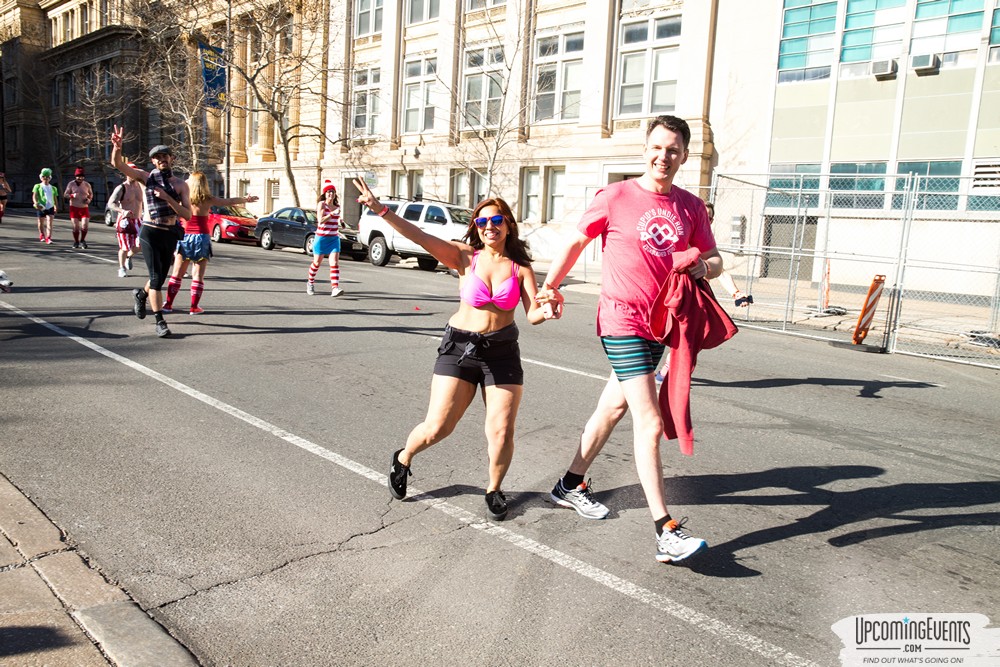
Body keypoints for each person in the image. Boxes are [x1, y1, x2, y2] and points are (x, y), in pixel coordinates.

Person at [534, 115, 722, 563]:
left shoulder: (691, 208)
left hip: (662, 327)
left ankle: (570, 484)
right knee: (649, 421)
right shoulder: (615, 196)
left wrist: (703, 267)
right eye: (657, 147)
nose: (664, 156)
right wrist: (550, 285)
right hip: (621, 320)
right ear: (646, 149)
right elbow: (576, 244)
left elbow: (715, 260)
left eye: (673, 150)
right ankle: (665, 530)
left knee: (612, 407)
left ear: (684, 155)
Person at [353, 177, 555, 521]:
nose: (489, 226)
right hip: (460, 347)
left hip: (502, 351)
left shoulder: (521, 269)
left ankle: (494, 489)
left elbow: (533, 313)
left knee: (501, 429)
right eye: (482, 221)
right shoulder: (464, 257)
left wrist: (548, 309)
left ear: (507, 225)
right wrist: (382, 211)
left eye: (496, 220)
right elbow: (421, 237)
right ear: (476, 227)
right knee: (438, 427)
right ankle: (403, 458)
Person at [109, 126, 192, 338]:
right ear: (153, 161)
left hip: (170, 233)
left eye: (165, 155)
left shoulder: (181, 185)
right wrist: (117, 148)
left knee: (160, 277)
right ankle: (160, 321)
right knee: (156, 279)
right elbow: (118, 165)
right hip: (150, 232)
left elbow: (187, 215)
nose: (162, 159)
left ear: (172, 158)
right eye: (157, 157)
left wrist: (168, 198)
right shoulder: (146, 178)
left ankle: (140, 294)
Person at [162, 172, 257, 314]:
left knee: (177, 274)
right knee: (198, 275)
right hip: (202, 238)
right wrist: (246, 199)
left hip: (185, 237)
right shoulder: (208, 199)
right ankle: (194, 307)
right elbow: (229, 201)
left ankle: (168, 304)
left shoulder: (183, 198)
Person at [704, 202, 752, 308]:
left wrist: (736, 293)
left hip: (699, 297)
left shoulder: (707, 242)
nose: (705, 221)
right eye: (702, 216)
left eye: (709, 218)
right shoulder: (683, 237)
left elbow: (720, 272)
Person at [306, 180, 344, 297]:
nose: (330, 194)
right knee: (317, 263)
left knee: (335, 263)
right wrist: (332, 214)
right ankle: (310, 283)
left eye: (332, 192)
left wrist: (341, 222)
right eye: (328, 192)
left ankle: (335, 288)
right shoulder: (322, 204)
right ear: (325, 194)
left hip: (333, 238)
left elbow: (336, 219)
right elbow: (320, 220)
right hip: (322, 238)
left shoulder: (337, 206)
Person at [108, 164, 144, 278]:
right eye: (130, 172)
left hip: (139, 220)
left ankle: (129, 256)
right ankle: (122, 268)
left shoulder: (141, 186)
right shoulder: (121, 188)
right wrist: (122, 211)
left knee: (141, 245)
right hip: (125, 221)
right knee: (124, 247)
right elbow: (111, 203)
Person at [64, 167, 94, 249]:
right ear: (75, 176)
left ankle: (82, 240)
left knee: (85, 225)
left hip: (84, 208)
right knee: (76, 227)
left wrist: (89, 200)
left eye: (81, 176)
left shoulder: (87, 184)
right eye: (78, 176)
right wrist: (71, 195)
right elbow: (65, 194)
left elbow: (91, 194)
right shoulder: (71, 184)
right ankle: (76, 241)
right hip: (74, 207)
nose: (80, 178)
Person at [32, 168, 59, 244]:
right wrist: (36, 203)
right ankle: (42, 234)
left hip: (50, 207)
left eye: (47, 177)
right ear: (41, 177)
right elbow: (34, 196)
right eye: (44, 177)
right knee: (41, 222)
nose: (46, 178)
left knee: (49, 222)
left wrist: (56, 206)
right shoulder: (37, 186)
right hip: (41, 207)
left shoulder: (53, 188)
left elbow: (55, 198)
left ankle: (48, 238)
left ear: (50, 178)